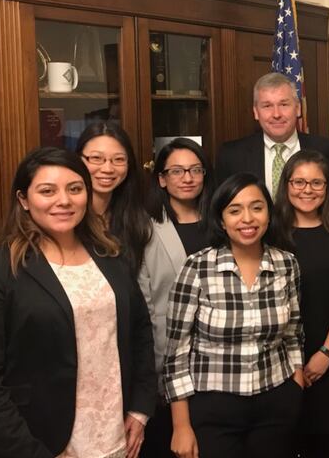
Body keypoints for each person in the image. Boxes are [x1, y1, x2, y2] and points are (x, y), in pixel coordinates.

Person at [0, 147, 156, 458]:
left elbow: (140, 332)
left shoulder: (110, 255)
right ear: (23, 199)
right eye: (47, 191)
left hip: (114, 437)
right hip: (37, 442)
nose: (64, 200)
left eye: (75, 189)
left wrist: (140, 408)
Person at [163, 174, 304, 458]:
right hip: (214, 406)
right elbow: (176, 353)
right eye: (235, 210)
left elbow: (293, 333)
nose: (247, 219)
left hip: (275, 400)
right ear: (221, 219)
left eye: (257, 207)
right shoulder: (197, 267)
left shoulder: (286, 264)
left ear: (269, 214)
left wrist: (296, 384)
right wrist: (181, 425)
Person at [273, 150, 329, 457]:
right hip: (279, 363)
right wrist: (292, 363)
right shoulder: (270, 232)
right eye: (299, 182)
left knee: (326, 446)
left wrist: (326, 353)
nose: (307, 190)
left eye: (316, 183)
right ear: (286, 185)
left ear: (328, 187)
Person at [138, 138, 216, 458]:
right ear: (161, 179)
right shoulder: (146, 228)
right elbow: (144, 303)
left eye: (195, 170)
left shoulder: (221, 223)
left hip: (220, 362)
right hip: (168, 358)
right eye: (177, 171)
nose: (187, 178)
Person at [215, 72, 329, 194]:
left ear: (298, 108)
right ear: (256, 112)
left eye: (284, 105)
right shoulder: (231, 156)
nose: (276, 114)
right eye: (267, 106)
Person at [75, 121, 151, 275]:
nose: (108, 169)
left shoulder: (135, 216)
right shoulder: (67, 216)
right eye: (96, 158)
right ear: (78, 159)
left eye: (119, 159)